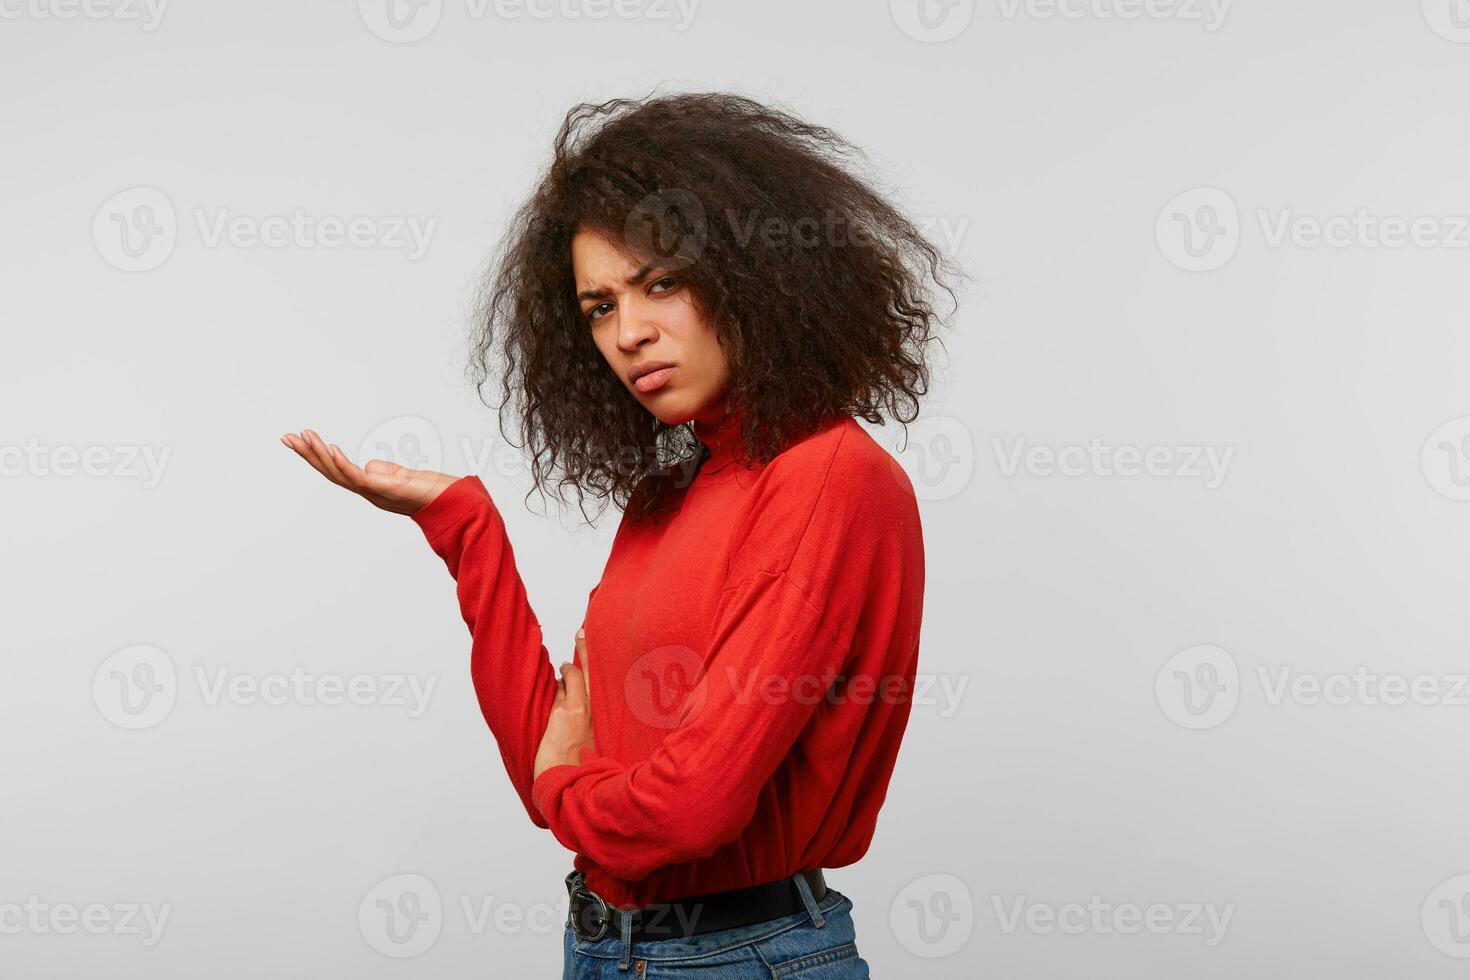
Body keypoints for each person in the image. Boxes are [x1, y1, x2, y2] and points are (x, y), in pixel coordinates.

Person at [283, 90, 956, 978]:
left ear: (754, 275)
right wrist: (465, 527)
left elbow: (687, 808)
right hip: (606, 948)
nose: (630, 333)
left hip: (740, 956)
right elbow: (553, 755)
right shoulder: (669, 494)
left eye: (661, 284)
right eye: (599, 307)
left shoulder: (828, 479)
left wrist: (566, 788)